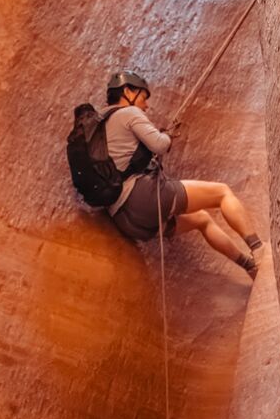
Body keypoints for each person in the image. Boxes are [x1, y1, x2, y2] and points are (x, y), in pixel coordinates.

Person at [101, 70, 262, 277]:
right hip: (142, 197)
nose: (146, 105)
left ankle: (249, 267)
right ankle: (259, 249)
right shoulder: (129, 114)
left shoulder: (102, 123)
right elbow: (159, 145)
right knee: (222, 192)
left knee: (201, 219)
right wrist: (166, 136)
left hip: (126, 220)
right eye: (142, 97)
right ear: (127, 91)